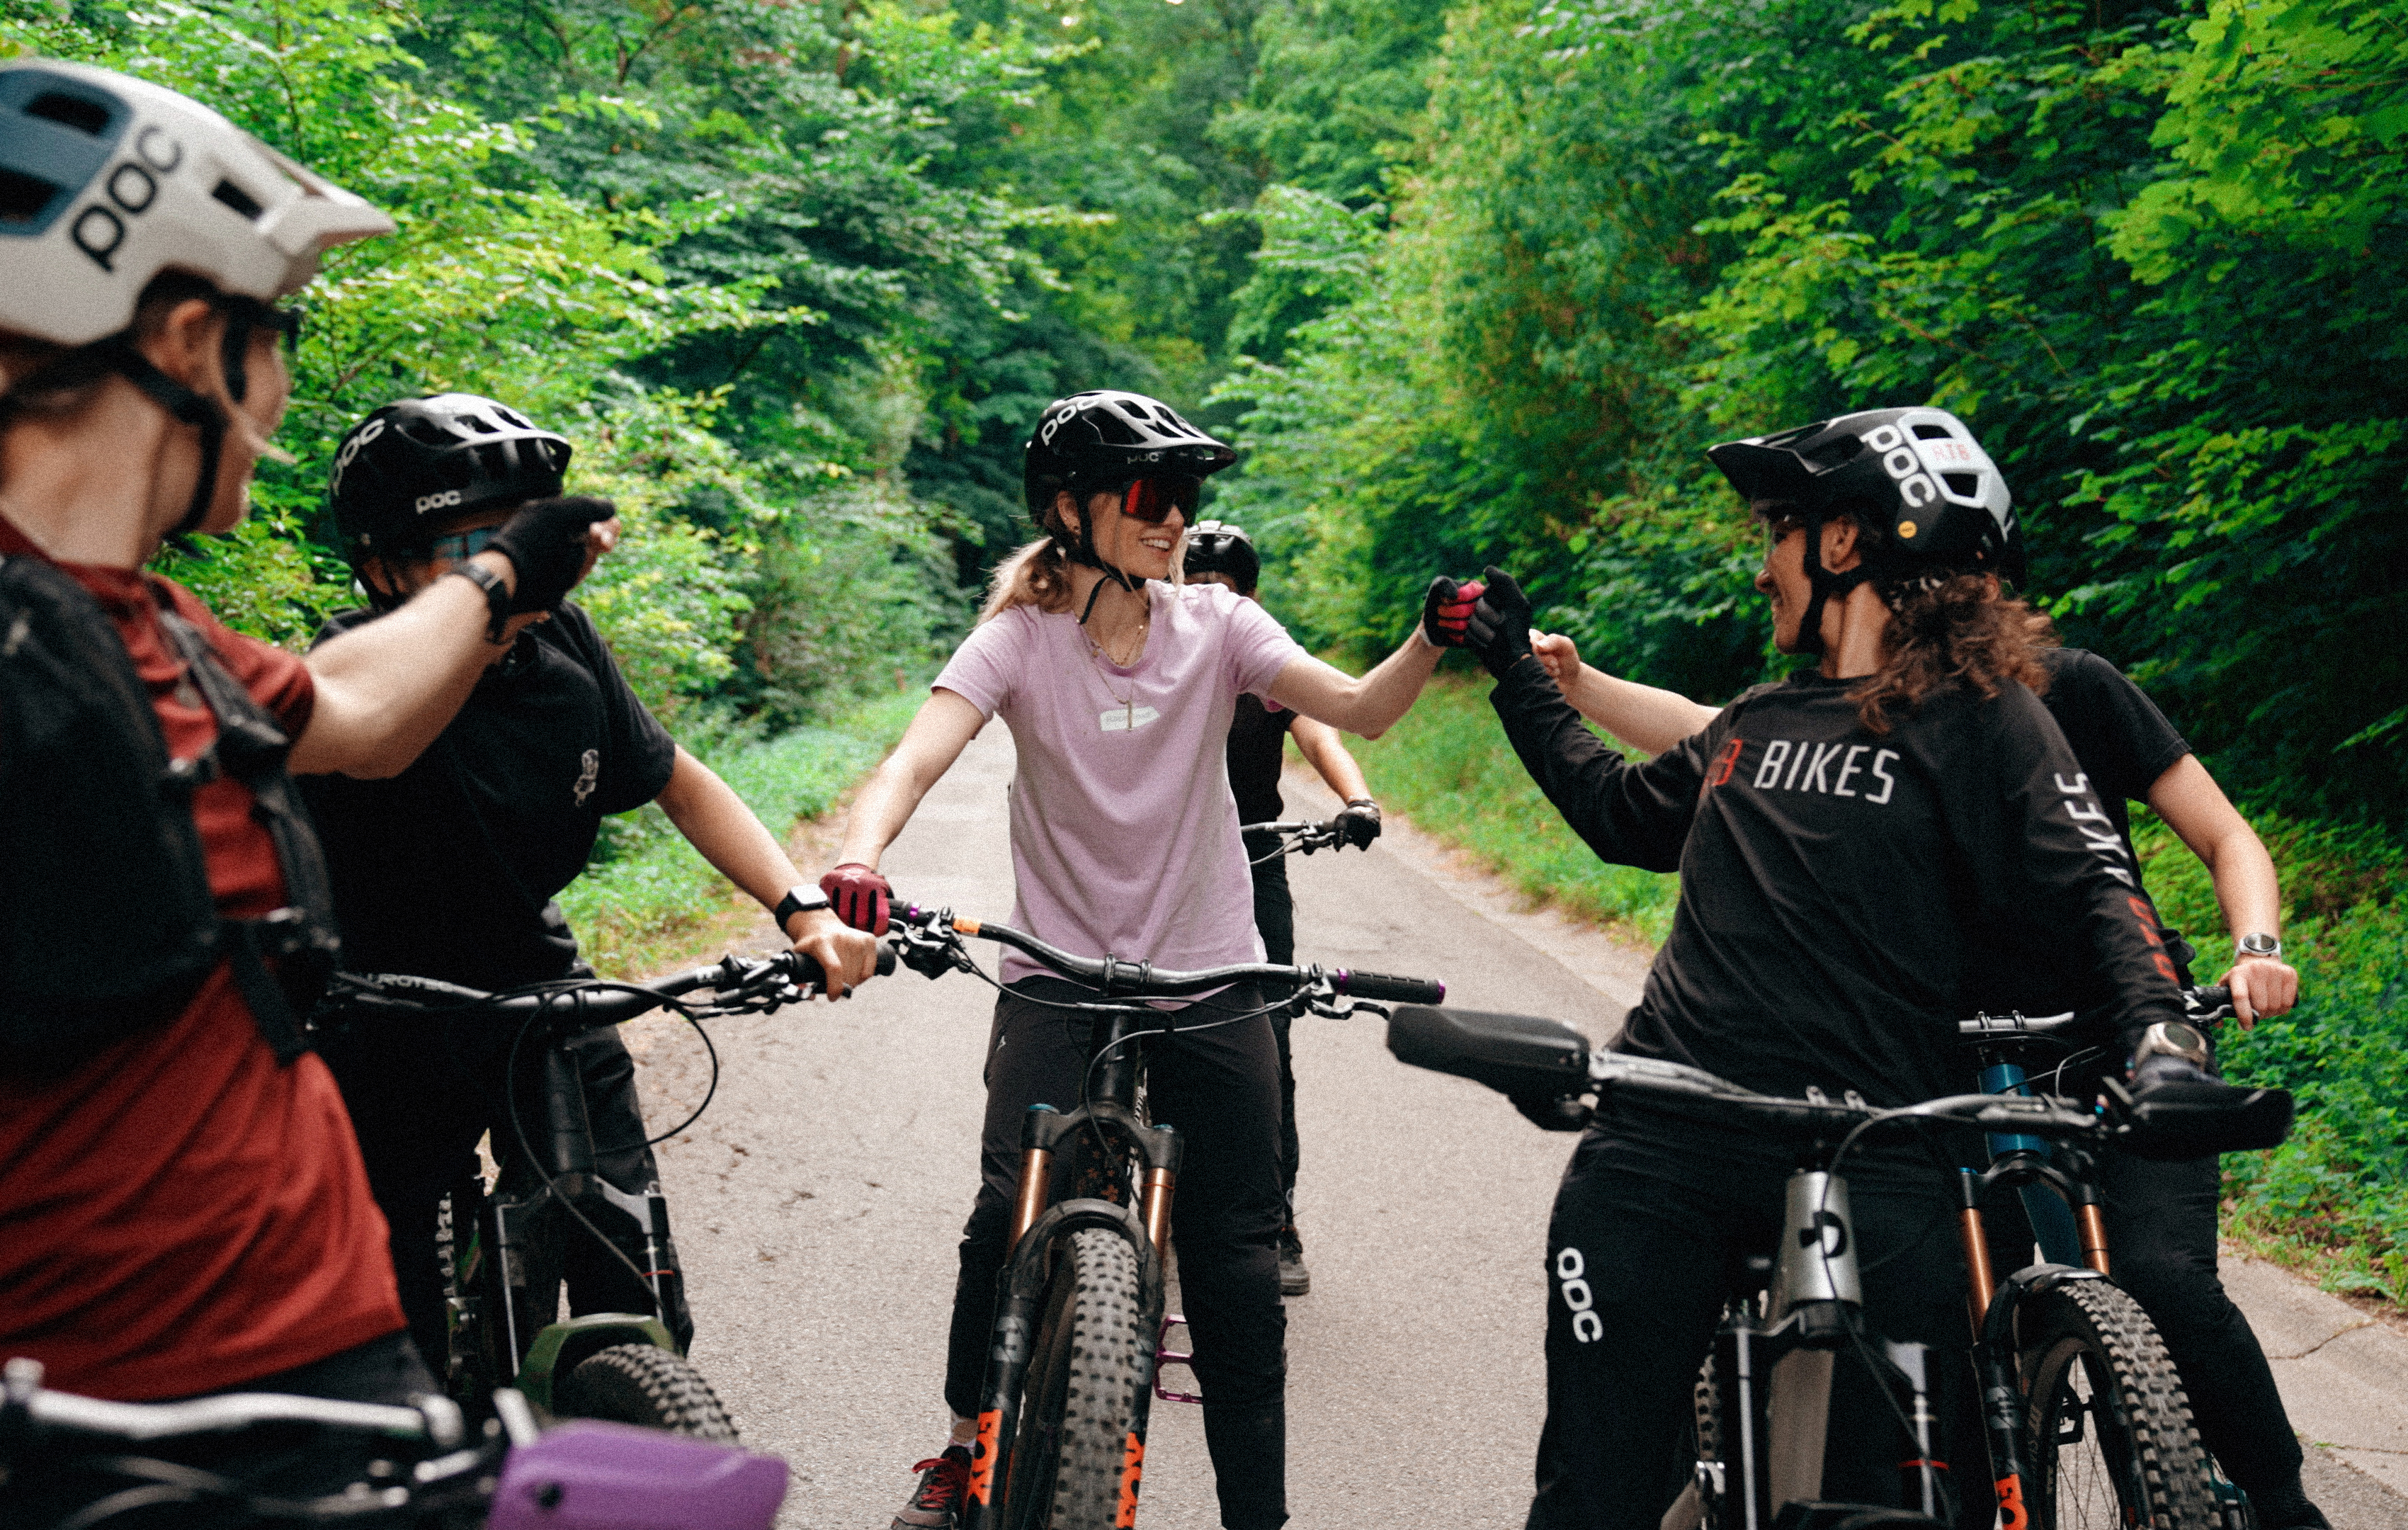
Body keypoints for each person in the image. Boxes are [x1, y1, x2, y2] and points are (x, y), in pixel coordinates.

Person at [0, 57, 617, 1509]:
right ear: (195, 338)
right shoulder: (30, 661)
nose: (275, 390)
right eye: (271, 336)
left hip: (325, 1406)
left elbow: (356, 710)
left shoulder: (138, 626)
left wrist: (495, 577)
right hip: (163, 1447)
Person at [1428, 407, 2203, 1529]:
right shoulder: (1755, 717)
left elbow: (2099, 887)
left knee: (1908, 1500)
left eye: (1780, 532)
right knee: (1594, 1494)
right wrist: (1513, 667)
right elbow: (1614, 810)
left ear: (1848, 543)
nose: (1763, 569)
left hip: (1874, 1143)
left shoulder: (1991, 723)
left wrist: (2162, 1038)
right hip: (1666, 1133)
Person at [1526, 565, 2324, 1526]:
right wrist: (1580, 686)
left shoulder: (2074, 689)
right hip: (1940, 1063)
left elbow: (2226, 833)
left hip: (2105, 1042)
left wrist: (2257, 948)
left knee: (2160, 1281)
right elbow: (1725, 732)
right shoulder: (1866, 709)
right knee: (1935, 1337)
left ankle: (2275, 1502)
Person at [819, 390, 1455, 1530]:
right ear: (1073, 511)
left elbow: (1358, 710)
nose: (1177, 521)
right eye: (1152, 497)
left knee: (1237, 1262)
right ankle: (968, 1449)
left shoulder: (1218, 627)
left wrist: (1433, 637)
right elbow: (913, 761)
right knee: (1000, 1212)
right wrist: (860, 857)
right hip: (1057, 970)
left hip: (1212, 968)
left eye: (1187, 499)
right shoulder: (1016, 639)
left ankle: (1259, 1514)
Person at [297, 392, 883, 1379]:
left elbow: (676, 780)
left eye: (520, 540)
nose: (506, 569)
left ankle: (629, 1416)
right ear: (384, 564)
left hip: (539, 979)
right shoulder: (357, 672)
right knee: (402, 1344)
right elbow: (376, 742)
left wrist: (802, 906)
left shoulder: (562, 643)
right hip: (382, 1007)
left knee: (634, 1289)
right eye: (467, 547)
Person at [1182, 518, 1383, 1298]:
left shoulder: (1259, 661)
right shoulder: (1153, 657)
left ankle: (1275, 1216)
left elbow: (1320, 731)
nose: (1203, 601)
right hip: (1168, 872)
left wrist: (1356, 798)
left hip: (1254, 860)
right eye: (1190, 586)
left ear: (1247, 597)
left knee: (1266, 1043)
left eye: (1219, 589)